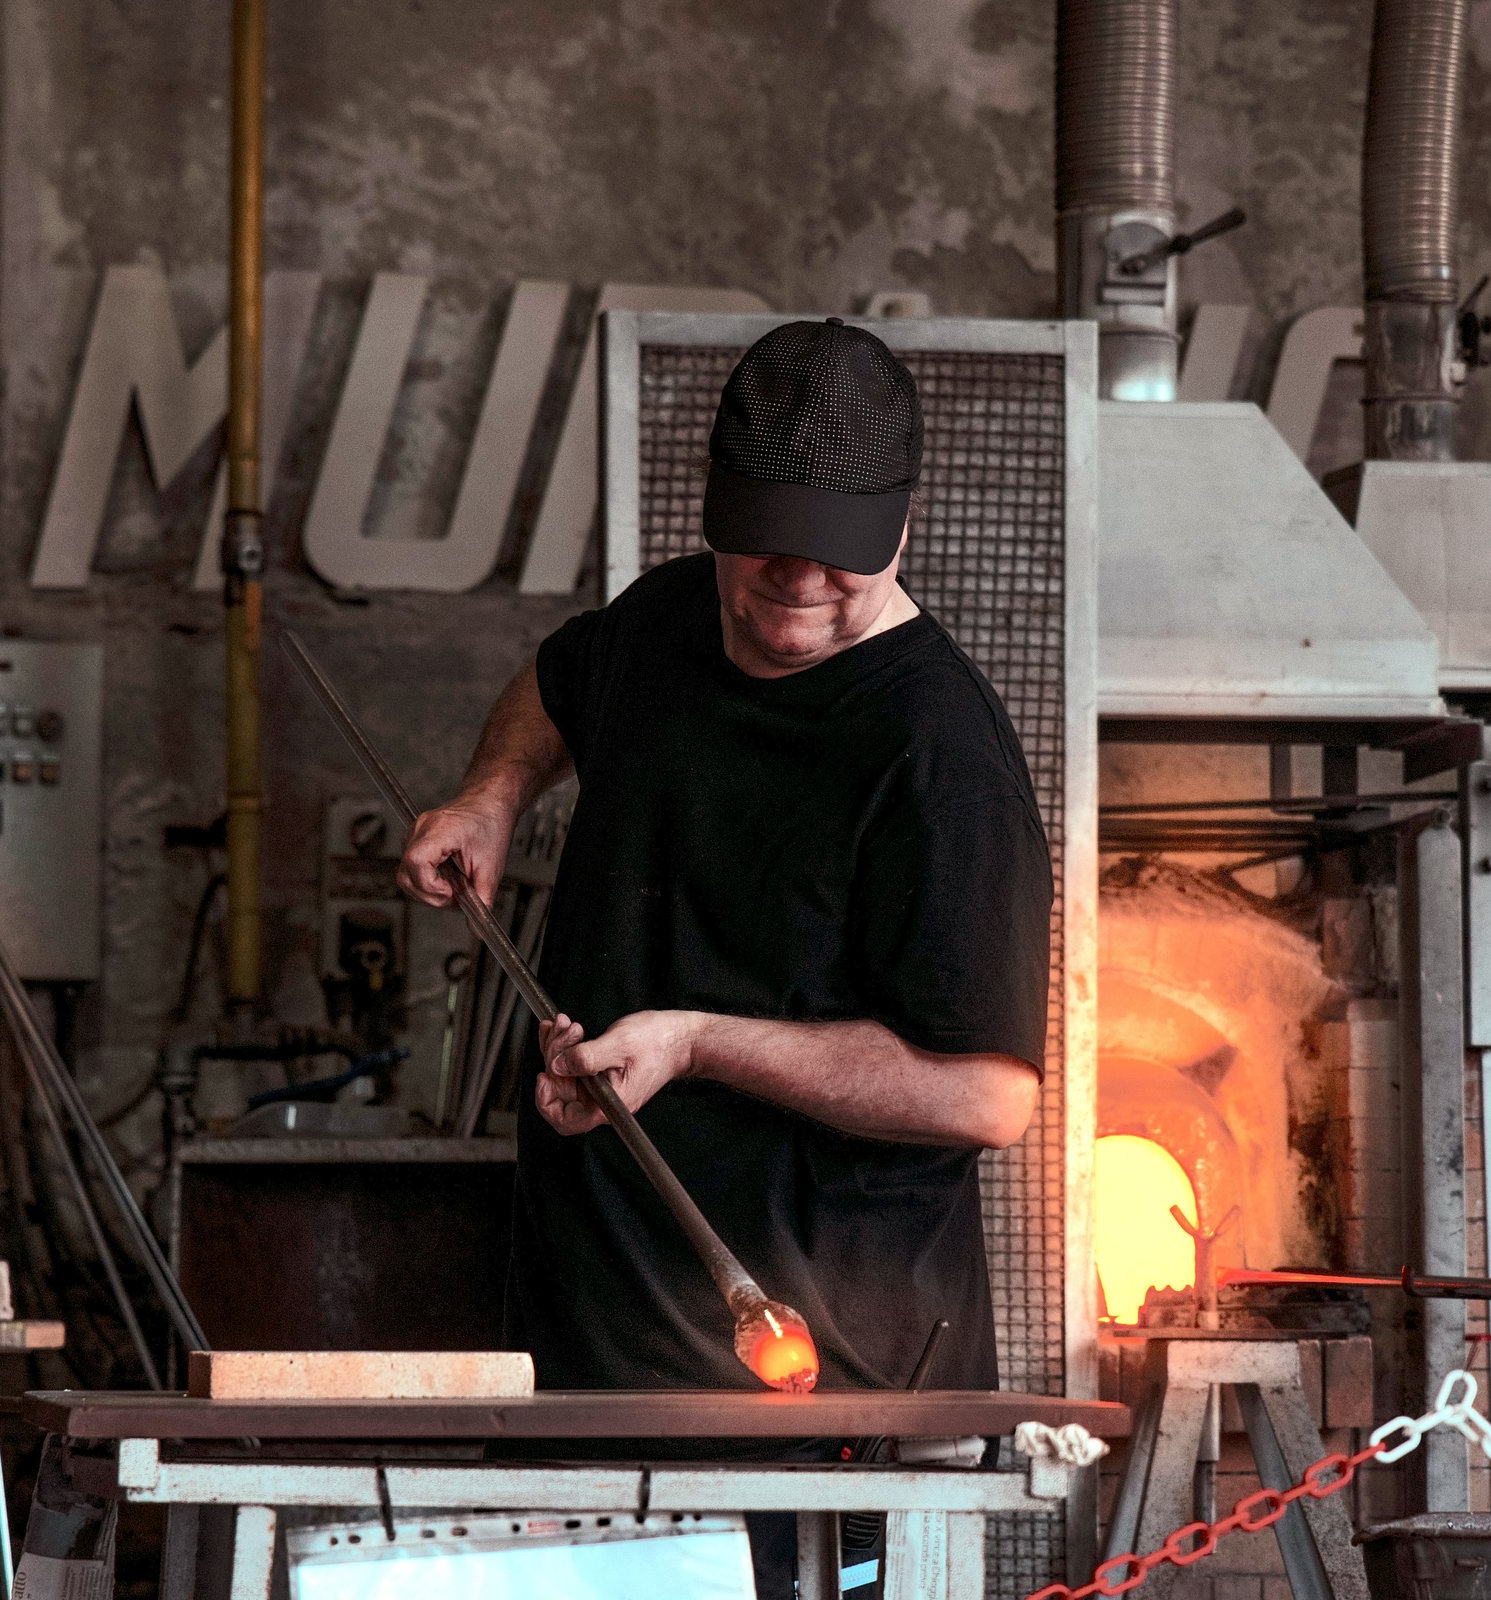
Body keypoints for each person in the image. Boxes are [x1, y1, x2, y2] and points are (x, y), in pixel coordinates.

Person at [398, 317, 1052, 1597]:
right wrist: (492, 794)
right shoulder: (663, 624)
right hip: (587, 1367)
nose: (799, 580)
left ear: (900, 530)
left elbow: (988, 1095)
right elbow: (557, 680)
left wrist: (696, 1042)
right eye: (770, 545)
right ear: (717, 515)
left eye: (838, 553)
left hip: (817, 1410)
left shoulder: (940, 756)